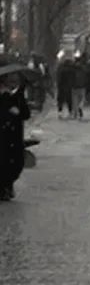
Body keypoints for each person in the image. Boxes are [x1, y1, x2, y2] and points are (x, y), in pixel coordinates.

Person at [0, 71, 31, 200]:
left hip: (15, 135)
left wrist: (17, 112)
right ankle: (4, 188)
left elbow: (26, 114)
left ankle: (8, 185)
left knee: (16, 162)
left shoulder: (18, 96)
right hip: (3, 135)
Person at [70, 53, 88, 120]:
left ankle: (75, 114)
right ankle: (80, 106)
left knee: (74, 101)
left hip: (74, 86)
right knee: (82, 99)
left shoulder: (72, 68)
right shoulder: (83, 68)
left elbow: (70, 77)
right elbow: (86, 76)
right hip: (82, 86)